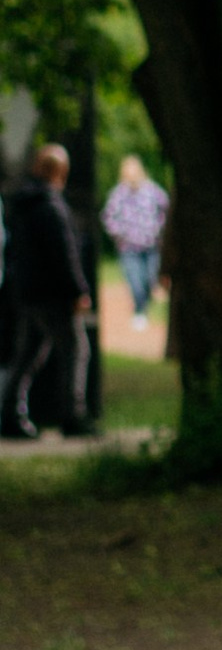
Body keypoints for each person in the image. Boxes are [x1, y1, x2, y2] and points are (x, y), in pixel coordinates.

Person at [1, 143, 92, 440]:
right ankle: (72, 416)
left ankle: (10, 414)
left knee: (28, 354)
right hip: (53, 295)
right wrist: (78, 290)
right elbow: (64, 254)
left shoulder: (22, 205)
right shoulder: (51, 206)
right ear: (59, 172)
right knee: (76, 349)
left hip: (28, 293)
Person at [101, 155, 169, 320]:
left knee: (150, 280)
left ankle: (143, 307)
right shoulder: (118, 194)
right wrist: (119, 234)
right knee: (135, 282)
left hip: (151, 246)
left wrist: (159, 230)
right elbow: (108, 217)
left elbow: (166, 210)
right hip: (129, 248)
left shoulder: (153, 191)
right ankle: (139, 311)